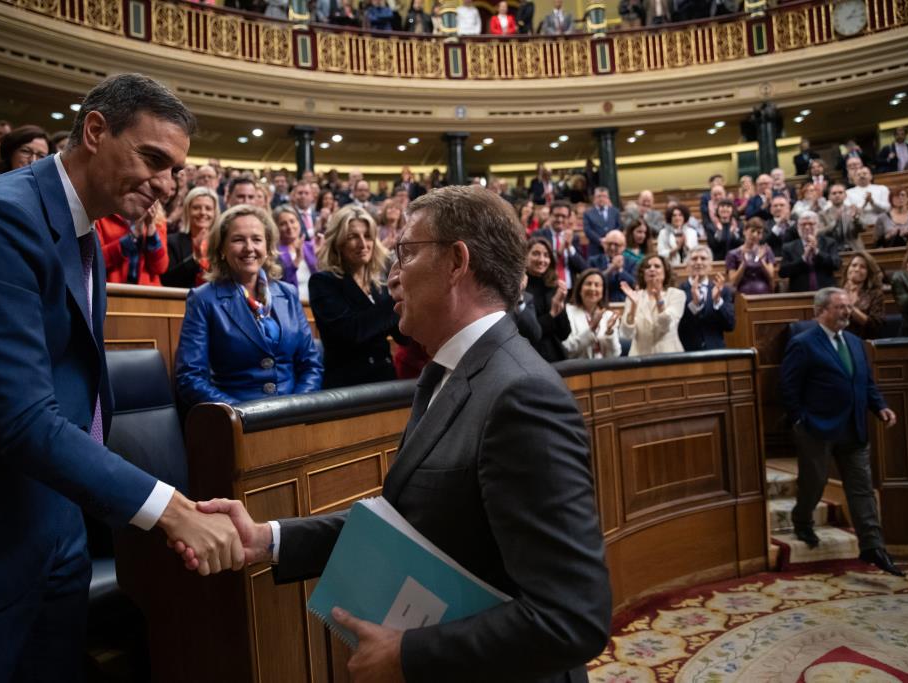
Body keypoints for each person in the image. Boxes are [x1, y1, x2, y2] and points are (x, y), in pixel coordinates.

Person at [190, 184, 612, 682]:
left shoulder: (522, 396)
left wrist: (409, 655)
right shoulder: (442, 373)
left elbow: (572, 618)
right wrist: (269, 539)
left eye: (407, 253)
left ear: (457, 262)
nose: (391, 275)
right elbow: (408, 524)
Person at [0, 73, 244, 681]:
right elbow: (23, 419)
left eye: (176, 170)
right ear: (95, 130)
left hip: (56, 530)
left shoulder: (80, 226)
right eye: (153, 159)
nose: (167, 186)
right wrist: (168, 508)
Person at [780, 287, 902, 576]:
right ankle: (803, 521)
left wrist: (880, 406)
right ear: (820, 311)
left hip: (854, 427)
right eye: (840, 307)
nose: (847, 312)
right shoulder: (803, 343)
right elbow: (788, 386)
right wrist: (800, 420)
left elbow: (865, 382)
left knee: (861, 488)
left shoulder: (856, 342)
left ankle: (873, 547)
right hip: (816, 429)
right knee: (815, 482)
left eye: (848, 306)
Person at [174, 204, 322, 407]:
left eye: (257, 239)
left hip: (294, 417)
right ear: (222, 249)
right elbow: (190, 378)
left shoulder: (288, 293)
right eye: (238, 240)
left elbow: (311, 365)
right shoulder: (203, 299)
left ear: (268, 248)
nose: (249, 248)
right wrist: (242, 415)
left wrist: (296, 407)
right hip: (238, 422)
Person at [310, 205, 404, 388]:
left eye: (368, 236)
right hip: (348, 389)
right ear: (338, 242)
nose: (363, 244)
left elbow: (402, 337)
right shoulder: (323, 282)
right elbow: (352, 332)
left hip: (386, 381)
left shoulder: (379, 283)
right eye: (353, 237)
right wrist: (396, 297)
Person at [619, 255, 685, 356]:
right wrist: (633, 306)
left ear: (665, 272)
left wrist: (658, 298)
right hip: (639, 358)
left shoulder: (677, 295)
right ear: (643, 273)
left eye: (657, 266)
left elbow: (666, 326)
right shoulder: (634, 297)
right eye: (648, 267)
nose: (652, 269)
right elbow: (627, 334)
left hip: (669, 357)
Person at [96, 201, 169, 285]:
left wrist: (151, 227)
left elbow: (160, 268)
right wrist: (132, 237)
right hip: (112, 290)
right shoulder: (101, 214)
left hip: (148, 292)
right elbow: (96, 262)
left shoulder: (157, 217)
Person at [678, 246, 735, 351]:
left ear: (711, 266)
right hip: (688, 354)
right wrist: (694, 305)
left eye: (703, 259)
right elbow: (678, 326)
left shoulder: (723, 291)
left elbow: (730, 325)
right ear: (687, 266)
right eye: (694, 259)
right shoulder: (678, 292)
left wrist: (718, 301)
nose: (699, 262)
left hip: (716, 352)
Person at [524, 236, 571, 362]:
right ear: (525, 256)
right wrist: (551, 315)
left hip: (555, 355)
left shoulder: (554, 287)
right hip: (530, 357)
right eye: (536, 254)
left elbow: (564, 333)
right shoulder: (519, 288)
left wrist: (560, 308)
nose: (541, 260)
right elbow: (528, 333)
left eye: (546, 255)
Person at [162, 186, 219, 288]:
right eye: (196, 208)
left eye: (208, 208)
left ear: (215, 213)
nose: (203, 212)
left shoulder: (222, 243)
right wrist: (195, 258)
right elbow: (167, 279)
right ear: (187, 211)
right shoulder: (173, 242)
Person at [564, 268, 621, 359]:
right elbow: (566, 350)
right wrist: (591, 330)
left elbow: (615, 354)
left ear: (602, 291)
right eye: (588, 284)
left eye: (597, 285)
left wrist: (610, 332)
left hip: (603, 370)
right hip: (578, 370)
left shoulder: (609, 315)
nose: (592, 288)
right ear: (579, 289)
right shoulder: (567, 312)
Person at [779, 211, 841, 293]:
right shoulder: (788, 247)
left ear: (818, 226)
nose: (807, 227)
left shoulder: (829, 243)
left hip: (827, 293)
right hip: (799, 295)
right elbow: (783, 273)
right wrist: (803, 258)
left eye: (811, 224)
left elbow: (836, 265)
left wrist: (817, 251)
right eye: (803, 224)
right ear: (798, 228)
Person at [274, 204, 318, 301]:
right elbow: (281, 287)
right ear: (276, 227)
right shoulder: (275, 253)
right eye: (283, 224)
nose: (289, 227)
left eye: (292, 221)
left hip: (316, 302)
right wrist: (296, 262)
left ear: (299, 223)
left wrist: (321, 256)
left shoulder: (311, 246)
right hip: (292, 304)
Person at [839, 251, 886, 339]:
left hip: (864, 341)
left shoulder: (875, 294)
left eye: (862, 267)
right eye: (853, 265)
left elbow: (876, 325)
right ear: (848, 269)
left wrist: (851, 308)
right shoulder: (838, 292)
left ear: (869, 273)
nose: (856, 269)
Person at [725, 217, 775, 295]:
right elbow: (733, 282)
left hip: (764, 293)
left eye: (759, 233)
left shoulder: (766, 251)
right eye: (752, 231)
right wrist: (743, 264)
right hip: (742, 295)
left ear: (761, 236)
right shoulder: (733, 254)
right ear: (744, 231)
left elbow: (771, 276)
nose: (755, 235)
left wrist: (761, 260)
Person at [587, 229, 637, 302]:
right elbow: (593, 283)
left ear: (624, 247)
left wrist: (620, 270)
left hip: (625, 303)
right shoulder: (593, 261)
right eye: (609, 244)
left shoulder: (632, 262)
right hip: (601, 303)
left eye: (616, 245)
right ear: (604, 244)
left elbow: (634, 284)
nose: (612, 248)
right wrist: (611, 269)